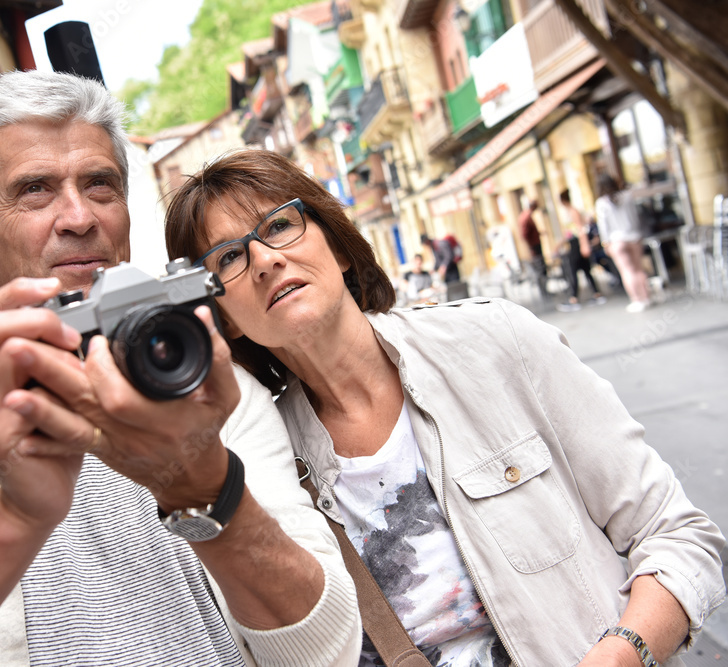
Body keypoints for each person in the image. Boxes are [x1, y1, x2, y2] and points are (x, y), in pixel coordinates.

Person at [0, 72, 360, 666]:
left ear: (128, 214)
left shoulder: (213, 392)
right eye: (35, 190)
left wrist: (210, 491)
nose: (79, 217)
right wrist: (14, 518)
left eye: (100, 185)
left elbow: (329, 651)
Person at [165, 148, 726, 667]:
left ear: (335, 246)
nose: (264, 259)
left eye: (280, 225)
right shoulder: (259, 461)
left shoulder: (496, 341)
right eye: (230, 257)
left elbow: (678, 536)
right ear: (225, 316)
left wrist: (623, 654)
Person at [595, 173, 652, 313]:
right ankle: (646, 297)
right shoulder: (628, 196)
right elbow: (635, 216)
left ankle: (636, 300)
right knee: (639, 269)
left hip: (617, 240)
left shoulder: (602, 203)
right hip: (634, 236)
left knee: (627, 271)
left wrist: (605, 243)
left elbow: (603, 226)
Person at [556, 189, 605, 311]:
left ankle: (574, 299)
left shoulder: (573, 211)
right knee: (585, 269)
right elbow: (568, 232)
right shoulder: (569, 212)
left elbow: (580, 229)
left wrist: (584, 245)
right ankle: (596, 294)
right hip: (574, 243)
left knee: (573, 270)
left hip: (577, 244)